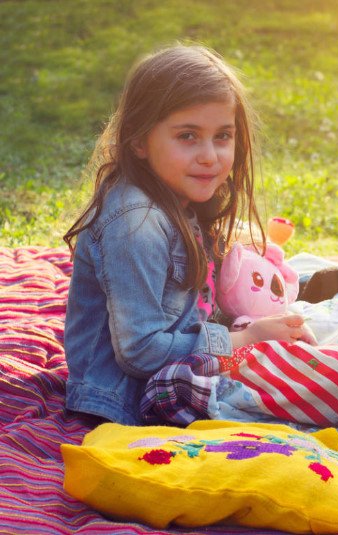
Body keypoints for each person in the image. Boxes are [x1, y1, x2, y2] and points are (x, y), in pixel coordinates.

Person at [63, 44, 312, 425]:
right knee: (292, 394)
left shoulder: (176, 193)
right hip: (129, 396)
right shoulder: (136, 223)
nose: (210, 155)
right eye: (188, 136)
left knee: (309, 312)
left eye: (222, 136)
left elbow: (194, 304)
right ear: (139, 140)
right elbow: (141, 352)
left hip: (181, 365)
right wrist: (244, 340)